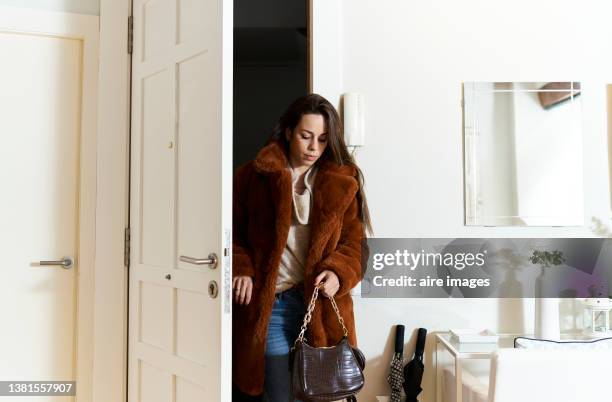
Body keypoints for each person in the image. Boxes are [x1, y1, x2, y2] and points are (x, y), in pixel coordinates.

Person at [232, 93, 372, 402]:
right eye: (306, 137)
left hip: (320, 306)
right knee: (279, 395)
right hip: (274, 305)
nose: (313, 148)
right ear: (288, 132)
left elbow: (357, 245)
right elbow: (233, 234)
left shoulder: (341, 181)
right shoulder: (253, 178)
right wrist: (241, 270)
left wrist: (338, 273)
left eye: (322, 139)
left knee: (318, 395)